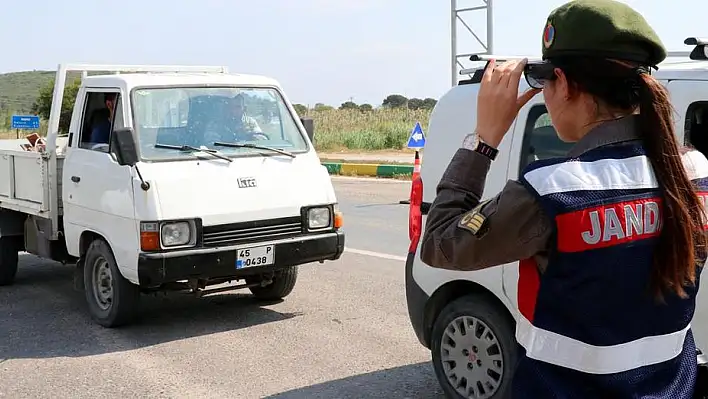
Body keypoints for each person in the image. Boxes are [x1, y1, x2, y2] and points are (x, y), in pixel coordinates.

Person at [419, 0, 708, 397]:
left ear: (566, 84)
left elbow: (439, 245)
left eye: (544, 82)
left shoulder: (553, 190)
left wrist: (483, 140)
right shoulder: (694, 173)